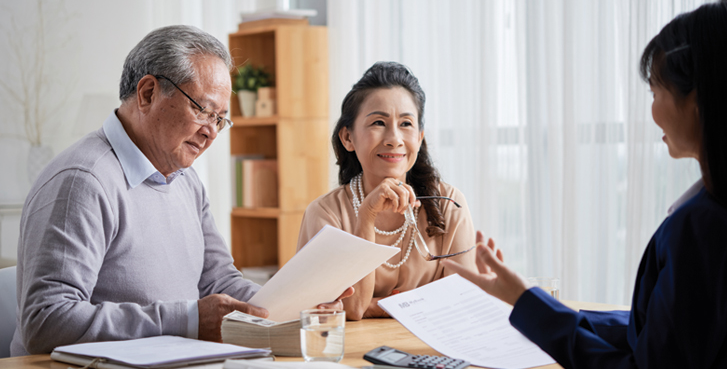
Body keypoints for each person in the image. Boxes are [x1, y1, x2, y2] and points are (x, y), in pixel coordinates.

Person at [11, 25, 349, 356]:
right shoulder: (83, 181)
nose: (211, 133)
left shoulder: (185, 179)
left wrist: (295, 303)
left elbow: (218, 282)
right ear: (147, 94)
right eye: (202, 110)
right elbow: (46, 322)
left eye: (220, 119)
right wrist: (185, 319)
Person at [443, 0, 727, 368]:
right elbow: (663, 329)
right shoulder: (709, 208)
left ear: (698, 100)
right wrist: (528, 300)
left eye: (656, 93)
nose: (652, 111)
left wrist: (528, 304)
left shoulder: (701, 225)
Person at [297, 62, 483, 320]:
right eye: (378, 122)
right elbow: (347, 311)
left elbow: (461, 300)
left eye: (406, 123)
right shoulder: (325, 214)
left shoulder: (450, 204)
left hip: (429, 349)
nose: (394, 138)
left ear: (419, 137)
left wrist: (378, 305)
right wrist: (367, 216)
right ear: (348, 138)